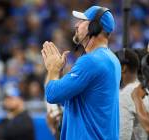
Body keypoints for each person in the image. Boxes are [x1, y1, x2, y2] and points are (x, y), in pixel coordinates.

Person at [41, 6, 121, 140]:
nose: (76, 25)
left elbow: (52, 95)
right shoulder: (112, 59)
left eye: (82, 21)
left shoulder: (90, 61)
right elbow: (79, 99)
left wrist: (53, 69)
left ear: (94, 27)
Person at [116, 48, 149, 140]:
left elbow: (122, 136)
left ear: (123, 68)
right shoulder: (146, 90)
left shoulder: (126, 94)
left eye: (113, 66)